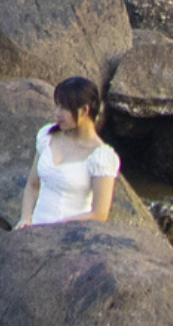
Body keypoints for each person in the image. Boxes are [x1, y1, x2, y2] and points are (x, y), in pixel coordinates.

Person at [18, 76, 121, 225]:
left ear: (85, 110)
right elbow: (33, 185)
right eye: (57, 106)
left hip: (69, 237)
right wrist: (25, 218)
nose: (57, 113)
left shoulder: (101, 156)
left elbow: (100, 213)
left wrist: (59, 227)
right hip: (35, 230)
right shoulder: (48, 136)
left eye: (64, 108)